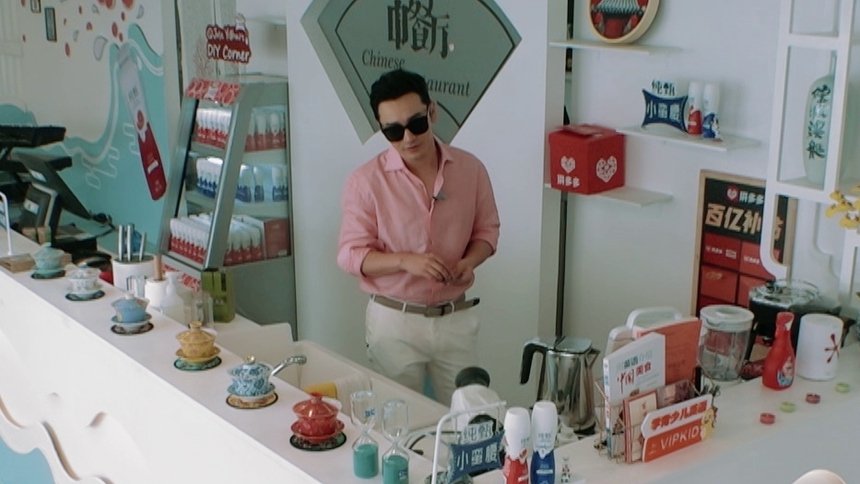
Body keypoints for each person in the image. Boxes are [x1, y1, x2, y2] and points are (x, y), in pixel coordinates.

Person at [337, 68, 500, 405]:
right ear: (381, 129)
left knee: (470, 416)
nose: (408, 138)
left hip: (455, 316)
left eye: (416, 123)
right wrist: (404, 262)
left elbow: (487, 230)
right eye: (394, 131)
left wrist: (470, 262)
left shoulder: (471, 169)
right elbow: (350, 255)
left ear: (432, 111)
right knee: (398, 418)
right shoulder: (366, 181)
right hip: (394, 321)